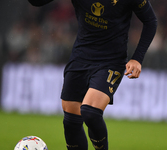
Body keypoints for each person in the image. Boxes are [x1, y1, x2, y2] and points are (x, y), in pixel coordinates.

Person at [28, 0, 157, 149]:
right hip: (80, 57)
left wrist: (137, 59)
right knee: (70, 121)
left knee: (90, 112)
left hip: (111, 60)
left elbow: (150, 21)